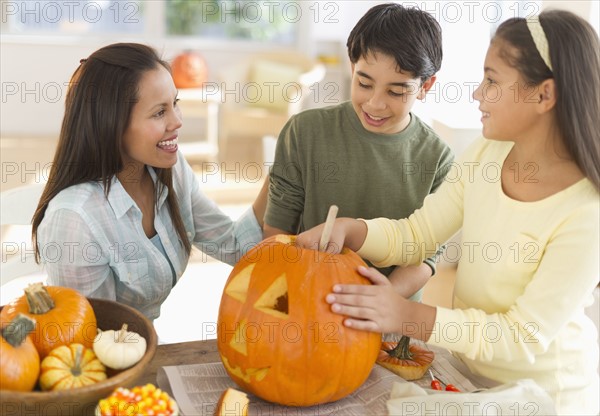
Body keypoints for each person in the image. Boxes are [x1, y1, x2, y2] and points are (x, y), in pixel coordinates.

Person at [297, 9, 600, 415]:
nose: (476, 94)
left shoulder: (586, 211)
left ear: (542, 95)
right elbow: (417, 235)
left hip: (543, 398)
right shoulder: (486, 154)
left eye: (492, 81)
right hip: (468, 376)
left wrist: (407, 315)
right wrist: (353, 230)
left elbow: (522, 337)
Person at [31, 43, 268, 321]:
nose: (177, 121)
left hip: (142, 346)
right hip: (108, 356)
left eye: (175, 104)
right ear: (112, 124)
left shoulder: (172, 171)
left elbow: (236, 246)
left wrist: (283, 173)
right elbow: (93, 340)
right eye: (159, 112)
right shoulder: (76, 219)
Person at [264, 3, 454, 299]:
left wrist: (379, 301)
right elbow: (276, 234)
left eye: (395, 91)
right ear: (352, 68)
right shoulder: (304, 132)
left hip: (390, 317)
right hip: (308, 303)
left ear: (426, 86)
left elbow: (427, 257)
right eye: (364, 83)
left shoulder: (438, 159)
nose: (375, 104)